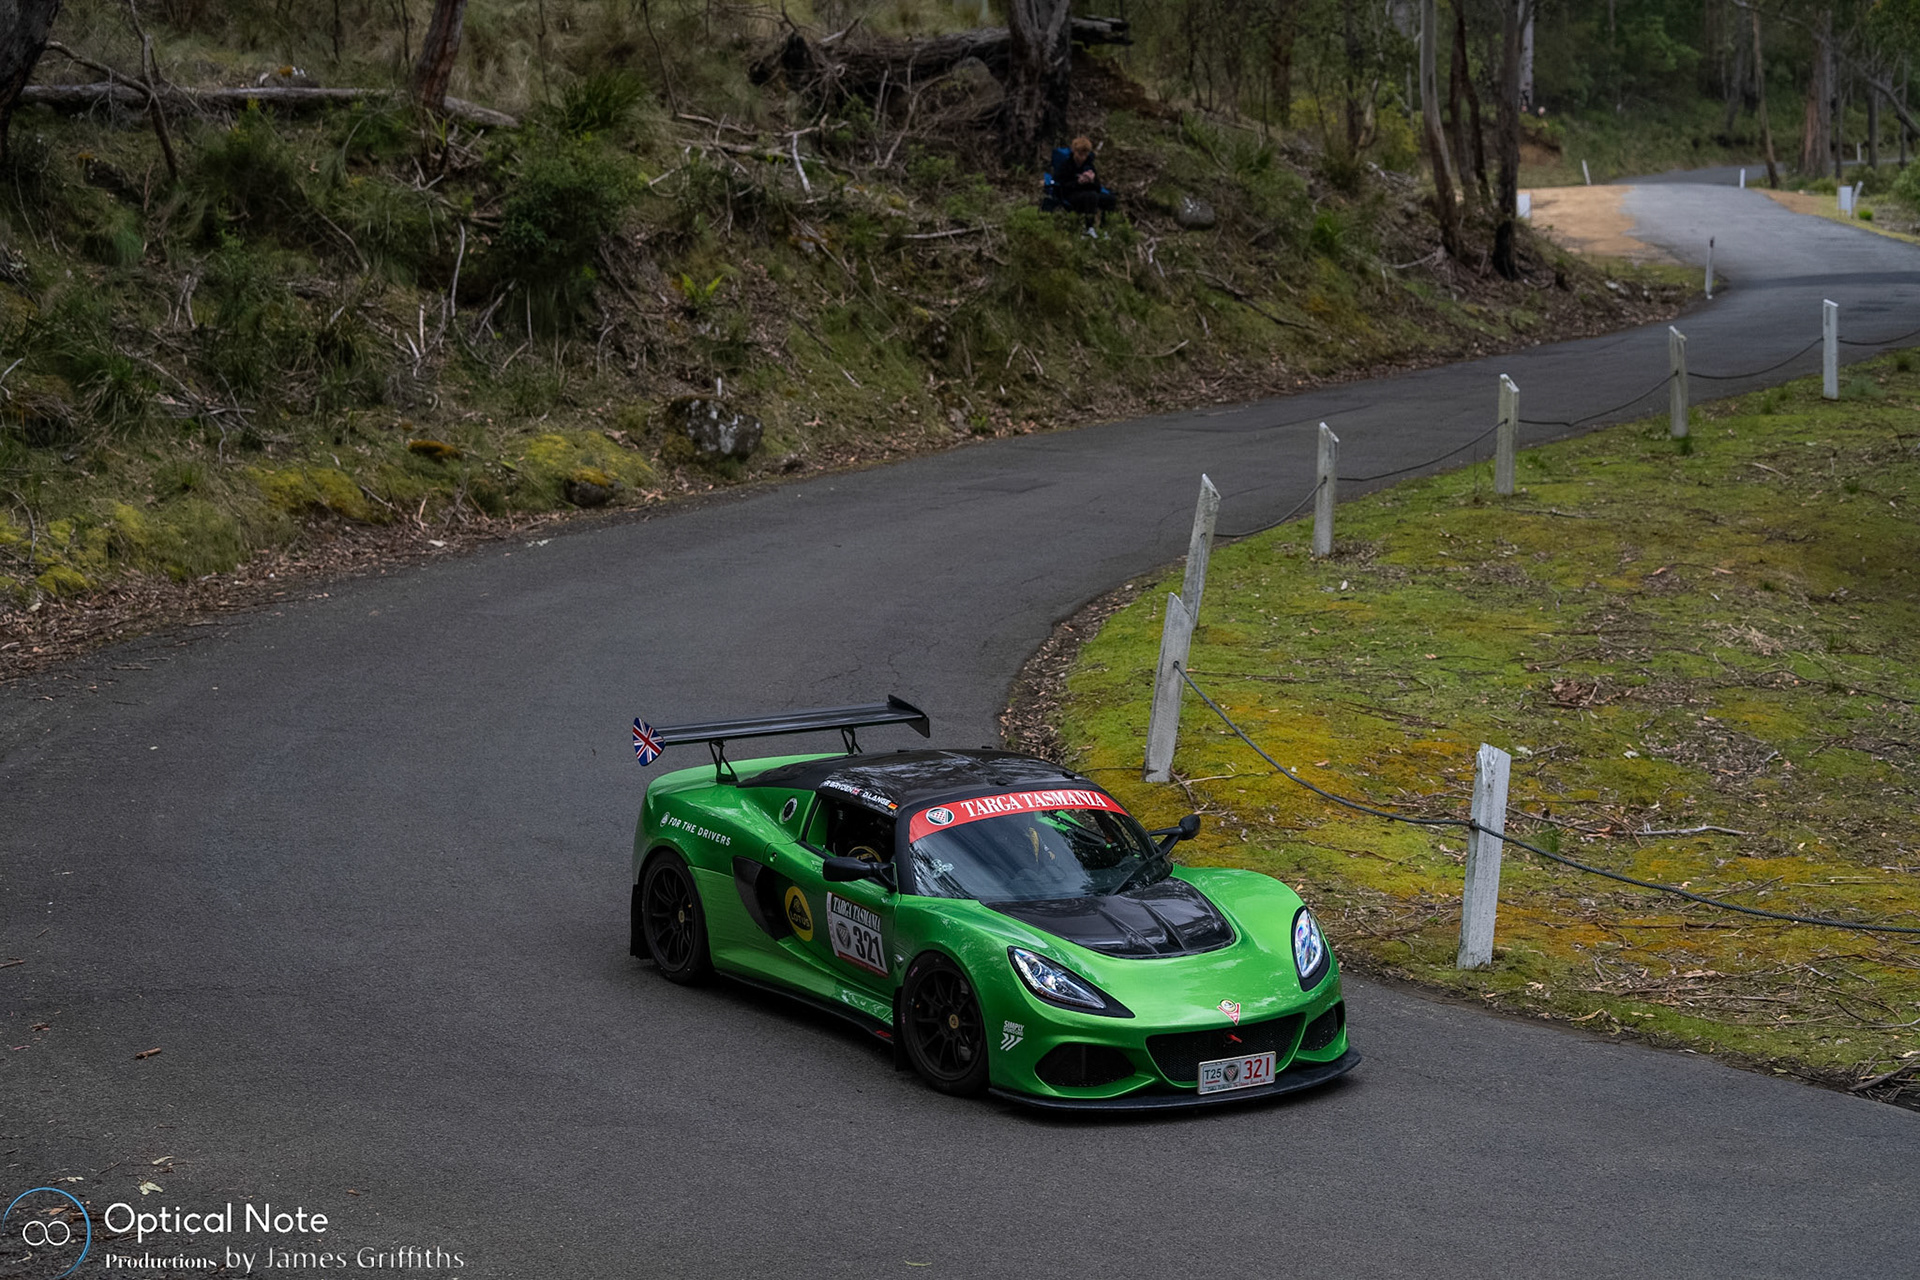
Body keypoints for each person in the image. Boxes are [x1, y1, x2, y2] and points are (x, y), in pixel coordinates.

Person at [1050, 135, 1117, 230]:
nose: (1082, 158)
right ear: (1074, 151)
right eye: (1080, 154)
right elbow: (1061, 185)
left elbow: (1098, 187)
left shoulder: (1089, 165)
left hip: (1089, 192)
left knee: (1110, 199)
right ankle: (1089, 228)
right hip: (1071, 194)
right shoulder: (1066, 165)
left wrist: (1092, 180)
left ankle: (1105, 228)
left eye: (1085, 155)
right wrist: (1078, 182)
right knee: (1091, 196)